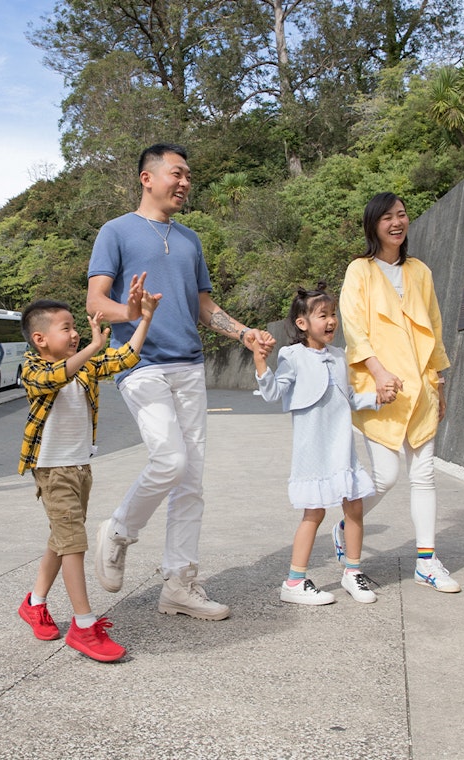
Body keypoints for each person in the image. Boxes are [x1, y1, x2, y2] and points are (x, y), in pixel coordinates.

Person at [86, 142, 275, 621]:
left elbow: (204, 308)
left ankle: (179, 583)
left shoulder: (190, 240)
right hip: (138, 363)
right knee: (169, 458)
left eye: (189, 174)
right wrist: (131, 312)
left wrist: (244, 332)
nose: (186, 182)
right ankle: (118, 531)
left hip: (189, 366)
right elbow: (95, 302)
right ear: (147, 178)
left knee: (190, 481)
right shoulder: (116, 232)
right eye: (177, 172)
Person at [17, 286, 159, 662]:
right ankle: (83, 625)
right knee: (74, 544)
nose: (75, 332)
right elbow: (53, 378)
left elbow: (127, 357)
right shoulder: (33, 367)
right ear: (40, 339)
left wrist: (144, 318)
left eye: (74, 327)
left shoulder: (85, 365)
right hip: (52, 470)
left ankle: (34, 603)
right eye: (66, 328)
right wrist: (93, 347)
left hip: (80, 467)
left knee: (61, 538)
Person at [339, 192, 458, 594]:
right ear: (373, 224)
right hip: (382, 387)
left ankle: (427, 560)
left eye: (402, 215)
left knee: (424, 475)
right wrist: (377, 372)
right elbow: (354, 328)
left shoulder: (420, 271)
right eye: (387, 216)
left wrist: (439, 385)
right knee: (386, 476)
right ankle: (347, 525)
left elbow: (435, 328)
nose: (396, 222)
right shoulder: (360, 270)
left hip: (421, 385)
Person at [251, 284, 381, 605]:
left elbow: (348, 398)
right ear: (302, 323)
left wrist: (378, 398)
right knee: (315, 511)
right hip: (313, 450)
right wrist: (260, 363)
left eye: (333, 314)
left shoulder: (340, 356)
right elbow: (272, 393)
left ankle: (352, 572)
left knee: (354, 505)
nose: (331, 320)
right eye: (323, 315)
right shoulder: (291, 355)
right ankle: (294, 581)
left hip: (342, 446)